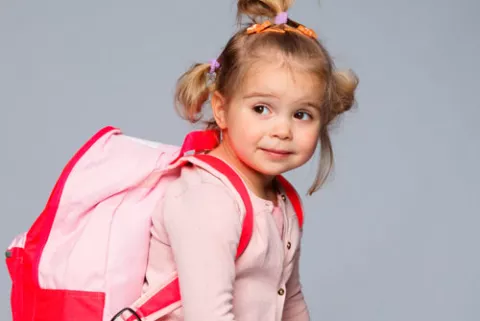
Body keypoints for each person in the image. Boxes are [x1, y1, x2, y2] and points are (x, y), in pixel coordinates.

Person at [144, 0, 358, 320]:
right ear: (221, 109)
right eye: (261, 108)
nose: (283, 130)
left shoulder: (281, 201)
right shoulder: (207, 199)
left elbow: (290, 299)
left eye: (302, 114)